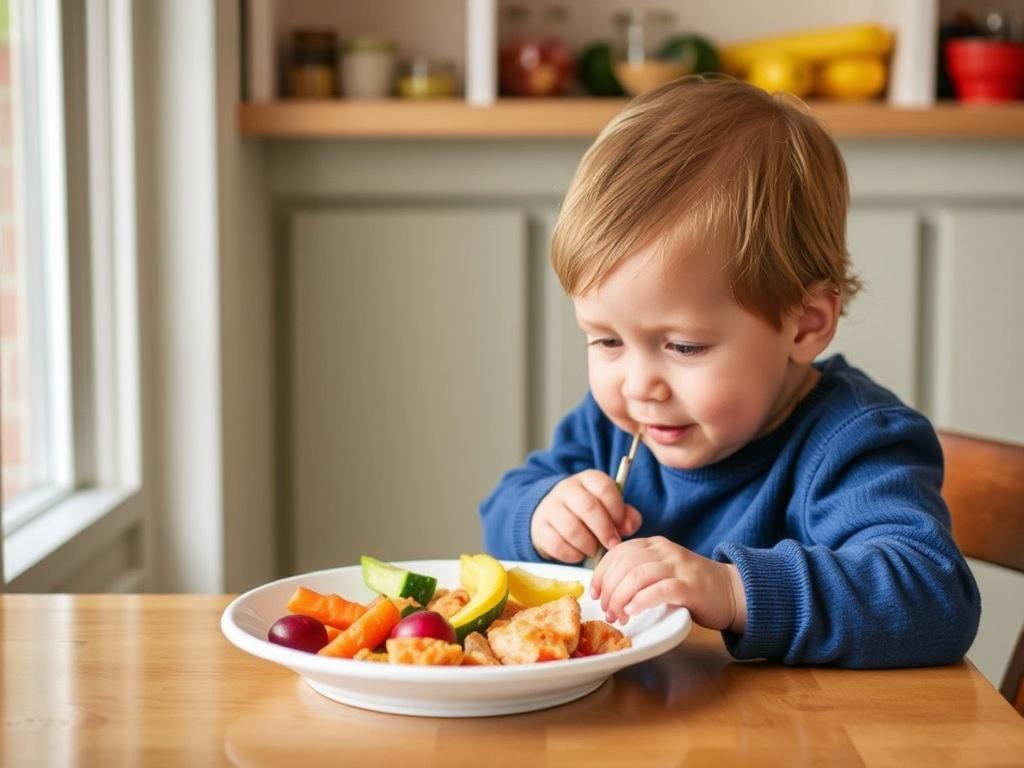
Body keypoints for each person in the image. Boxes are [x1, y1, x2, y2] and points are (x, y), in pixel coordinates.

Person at [479, 77, 980, 667]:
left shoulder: (854, 443)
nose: (638, 385)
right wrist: (543, 516)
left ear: (804, 324)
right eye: (607, 340)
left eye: (683, 346)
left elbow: (933, 594)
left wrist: (734, 591)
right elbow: (500, 513)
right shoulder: (612, 427)